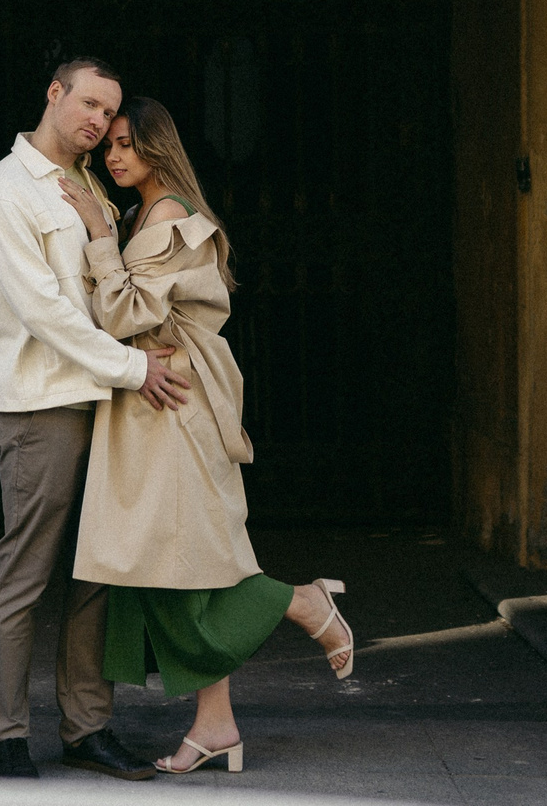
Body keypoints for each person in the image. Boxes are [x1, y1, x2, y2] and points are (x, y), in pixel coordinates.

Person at [61, 97, 354, 774]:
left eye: (128, 143)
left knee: (172, 564)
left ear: (159, 148)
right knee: (169, 564)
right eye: (109, 145)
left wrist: (98, 238)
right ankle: (216, 724)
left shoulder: (167, 220)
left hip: (171, 408)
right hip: (156, 404)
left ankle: (302, 602)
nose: (114, 156)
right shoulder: (156, 214)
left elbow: (125, 315)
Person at [0, 56, 193, 781]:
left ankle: (86, 727)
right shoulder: (7, 194)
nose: (99, 122)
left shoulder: (90, 183)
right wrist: (136, 369)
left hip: (102, 404)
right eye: (89, 104)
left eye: (109, 112)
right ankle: (5, 735)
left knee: (96, 572)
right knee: (26, 572)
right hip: (41, 406)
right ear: (54, 93)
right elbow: (47, 314)